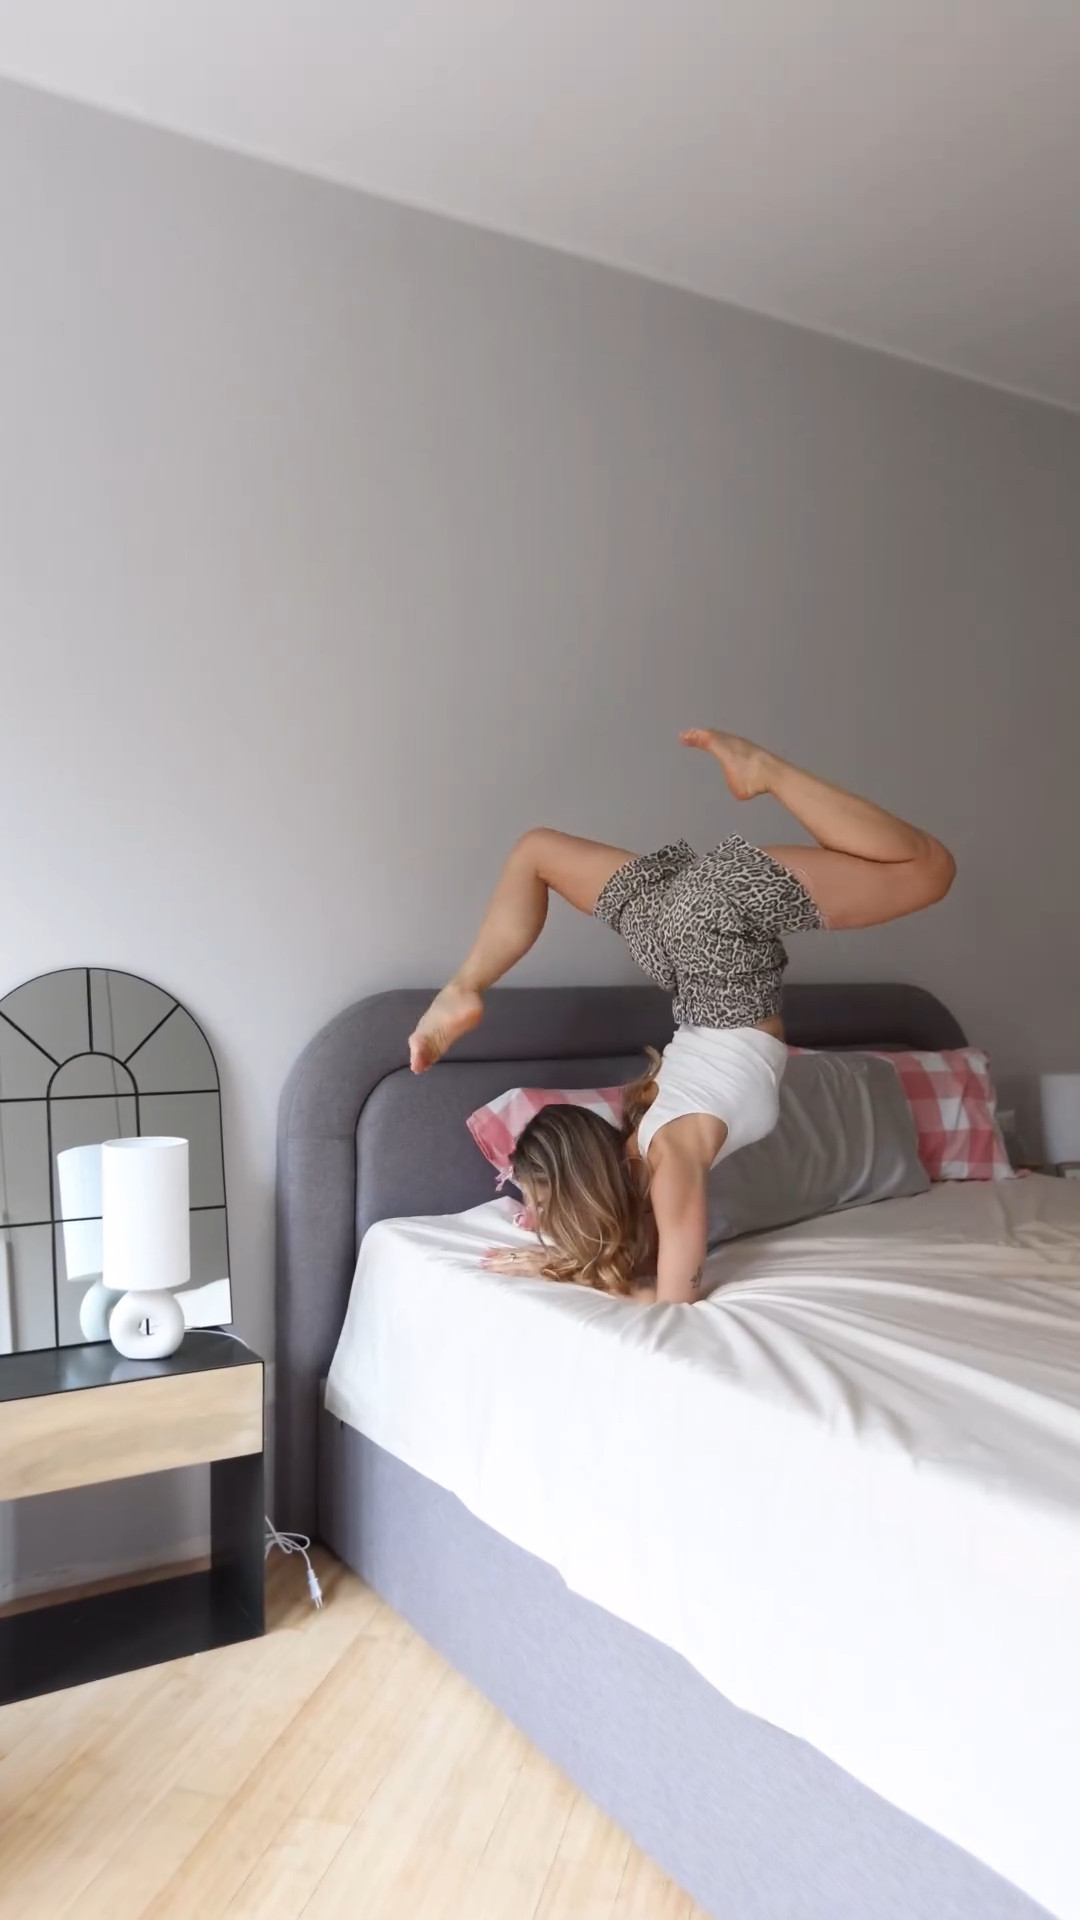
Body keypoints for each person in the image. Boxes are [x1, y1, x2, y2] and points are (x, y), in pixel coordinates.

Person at [409, 729, 955, 1304]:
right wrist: (572, 1264)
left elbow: (674, 1301)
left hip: (714, 947)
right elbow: (646, 1259)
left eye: (538, 1204)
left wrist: (563, 1270)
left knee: (928, 869)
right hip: (683, 953)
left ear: (583, 1190)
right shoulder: (648, 1141)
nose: (532, 1220)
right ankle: (464, 986)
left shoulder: (667, 1162)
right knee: (536, 851)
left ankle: (765, 772)